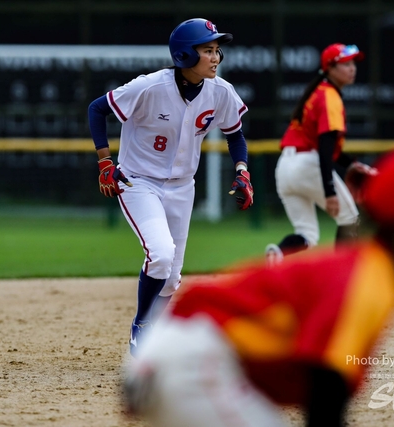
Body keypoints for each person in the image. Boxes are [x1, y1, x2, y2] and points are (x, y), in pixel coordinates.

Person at [123, 147, 394, 427]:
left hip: (189, 358)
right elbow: (326, 389)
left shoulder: (373, 272)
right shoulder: (369, 280)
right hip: (194, 366)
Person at [88, 18, 254, 357]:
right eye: (207, 50)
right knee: (161, 255)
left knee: (172, 276)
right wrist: (105, 162)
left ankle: (156, 334)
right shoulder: (149, 86)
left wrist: (242, 170)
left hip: (182, 187)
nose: (216, 57)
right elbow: (97, 109)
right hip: (138, 182)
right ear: (184, 55)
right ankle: (142, 326)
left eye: (217, 50)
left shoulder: (220, 91)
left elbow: (235, 134)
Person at [265, 43, 376, 265]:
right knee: (349, 218)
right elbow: (325, 147)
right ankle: (340, 272)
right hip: (308, 165)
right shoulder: (330, 97)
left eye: (353, 63)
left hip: (285, 167)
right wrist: (330, 191)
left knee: (306, 234)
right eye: (345, 64)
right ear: (330, 68)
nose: (352, 68)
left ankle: (278, 255)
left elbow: (325, 146)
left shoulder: (317, 93)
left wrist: (350, 164)